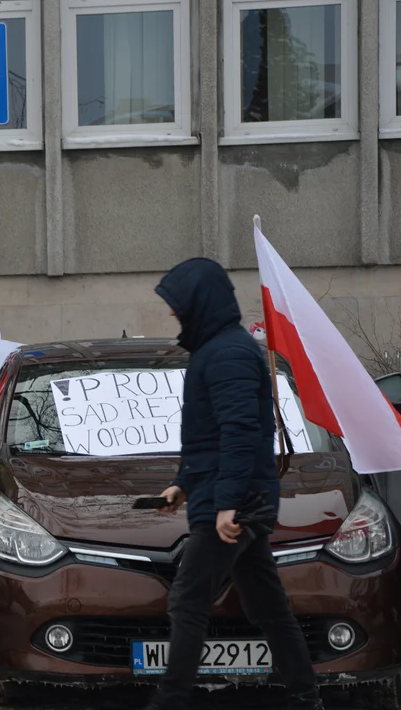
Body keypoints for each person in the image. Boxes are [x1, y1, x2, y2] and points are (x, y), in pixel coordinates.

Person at [148, 258, 321, 710]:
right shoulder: (215, 350)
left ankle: (170, 703)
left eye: (177, 304)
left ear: (199, 303)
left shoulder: (227, 353)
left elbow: (242, 433)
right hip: (234, 496)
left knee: (187, 601)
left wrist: (227, 504)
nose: (171, 313)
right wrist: (183, 483)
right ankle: (307, 699)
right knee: (269, 607)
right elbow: (208, 436)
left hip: (236, 503)